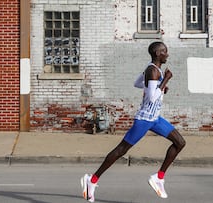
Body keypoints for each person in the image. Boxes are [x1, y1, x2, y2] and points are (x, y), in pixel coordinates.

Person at [80, 41, 186, 202]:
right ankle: (92, 180)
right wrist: (165, 81)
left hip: (155, 119)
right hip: (144, 120)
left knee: (180, 142)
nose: (167, 54)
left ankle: (159, 177)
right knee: (121, 150)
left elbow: (137, 84)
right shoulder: (152, 71)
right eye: (165, 51)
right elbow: (151, 97)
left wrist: (159, 86)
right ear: (158, 53)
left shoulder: (152, 69)